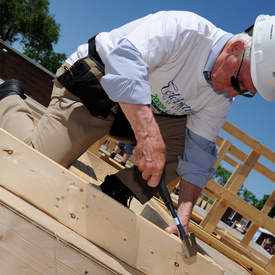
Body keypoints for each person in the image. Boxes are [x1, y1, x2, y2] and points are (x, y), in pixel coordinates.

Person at [0, 11, 274, 236]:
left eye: (245, 92)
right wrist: (149, 136)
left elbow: (199, 153)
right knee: (31, 163)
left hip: (135, 115)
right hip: (93, 92)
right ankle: (9, 99)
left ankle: (116, 191)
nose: (233, 93)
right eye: (238, 82)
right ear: (235, 48)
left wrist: (184, 215)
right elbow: (124, 61)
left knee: (189, 142)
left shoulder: (222, 96)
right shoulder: (184, 31)